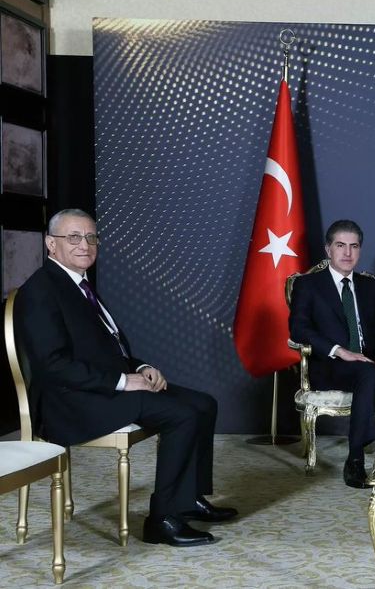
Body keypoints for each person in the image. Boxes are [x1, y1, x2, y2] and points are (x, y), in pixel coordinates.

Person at [14, 209, 236, 548]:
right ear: (50, 244)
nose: (85, 245)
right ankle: (162, 520)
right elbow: (52, 365)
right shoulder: (41, 290)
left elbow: (104, 350)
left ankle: (188, 499)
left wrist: (141, 368)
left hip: (100, 386)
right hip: (70, 402)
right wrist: (122, 381)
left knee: (203, 404)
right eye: (73, 237)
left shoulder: (79, 285)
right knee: (182, 414)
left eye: (91, 237)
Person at [288, 219, 375, 489]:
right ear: (328, 249)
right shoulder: (308, 285)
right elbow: (299, 329)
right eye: (341, 246)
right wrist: (341, 351)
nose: (347, 253)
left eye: (354, 246)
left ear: (360, 250)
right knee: (368, 371)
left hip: (368, 362)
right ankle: (356, 459)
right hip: (331, 366)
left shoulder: (370, 286)